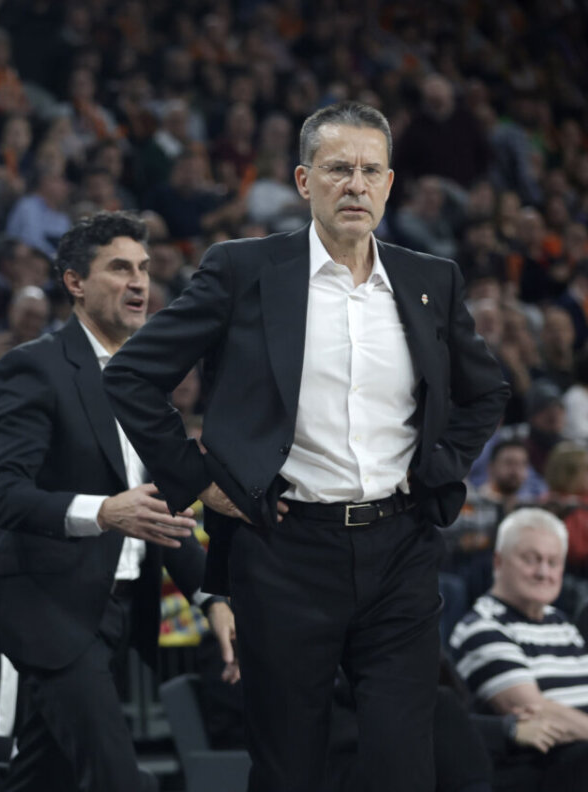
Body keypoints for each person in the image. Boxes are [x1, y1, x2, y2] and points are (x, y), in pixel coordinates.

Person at [102, 101, 509, 792]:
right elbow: (132, 376)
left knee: (404, 765)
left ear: (390, 184)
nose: (356, 185)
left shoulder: (429, 280)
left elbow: (486, 391)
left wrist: (437, 467)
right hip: (284, 551)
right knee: (289, 768)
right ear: (303, 180)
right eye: (338, 168)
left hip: (401, 550)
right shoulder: (243, 270)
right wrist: (201, 480)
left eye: (371, 171)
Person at [0, 211, 236, 792]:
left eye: (143, 268)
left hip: (114, 615)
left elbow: (163, 512)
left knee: (39, 778)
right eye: (120, 268)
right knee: (120, 780)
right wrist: (102, 511)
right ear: (75, 282)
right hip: (48, 610)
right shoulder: (33, 367)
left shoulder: (145, 383)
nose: (139, 282)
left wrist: (213, 598)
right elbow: (4, 495)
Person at [449, 508, 588, 791]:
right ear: (498, 562)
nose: (543, 572)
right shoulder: (482, 626)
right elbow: (536, 712)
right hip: (540, 767)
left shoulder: (561, 623)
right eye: (531, 559)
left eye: (553, 562)